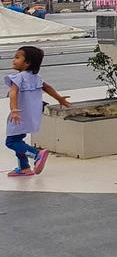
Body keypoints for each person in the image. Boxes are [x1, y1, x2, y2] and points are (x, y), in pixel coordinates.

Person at [7, 46, 69, 178]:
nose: (14, 60)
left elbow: (13, 93)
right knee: (18, 140)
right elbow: (47, 87)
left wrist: (14, 110)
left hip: (18, 114)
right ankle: (24, 167)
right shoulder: (35, 77)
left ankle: (36, 154)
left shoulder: (18, 77)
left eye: (17, 57)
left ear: (27, 62)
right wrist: (59, 98)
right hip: (30, 115)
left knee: (11, 142)